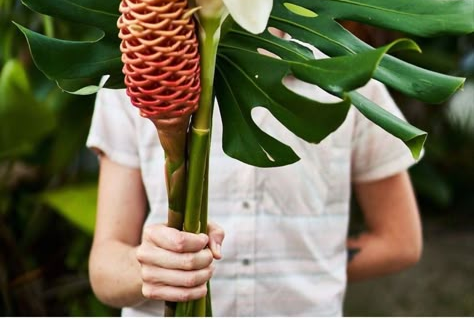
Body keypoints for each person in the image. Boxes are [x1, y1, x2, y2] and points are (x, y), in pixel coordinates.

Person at [86, 46, 422, 317]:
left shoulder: (349, 81)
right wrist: (151, 269)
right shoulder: (138, 74)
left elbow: (400, 241)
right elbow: (104, 271)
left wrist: (307, 264)